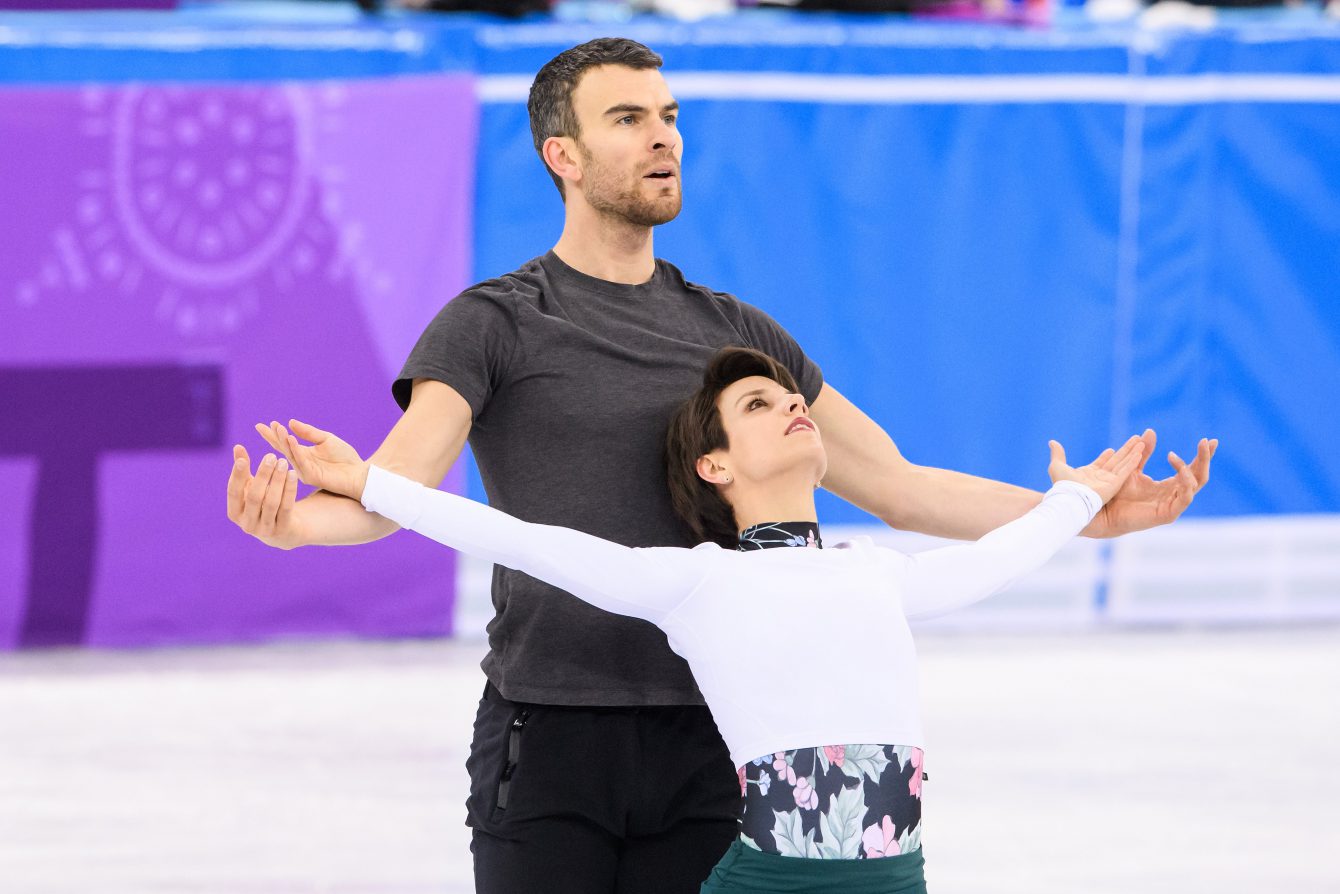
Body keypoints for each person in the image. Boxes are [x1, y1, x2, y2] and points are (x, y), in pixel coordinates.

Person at [226, 37, 1217, 894]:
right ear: (559, 155)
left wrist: (1082, 511)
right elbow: (395, 488)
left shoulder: (736, 334)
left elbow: (897, 484)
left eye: (668, 115)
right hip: (549, 735)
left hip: (718, 744)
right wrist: (300, 522)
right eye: (627, 119)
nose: (662, 136)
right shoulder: (494, 321)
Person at [255, 346, 1150, 893]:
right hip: (763, 881)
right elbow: (517, 539)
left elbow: (1002, 556)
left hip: (895, 883)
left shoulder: (879, 576)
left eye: (790, 397)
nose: (794, 404)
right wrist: (371, 482)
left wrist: (1078, 500)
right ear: (716, 467)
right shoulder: (694, 584)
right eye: (757, 405)